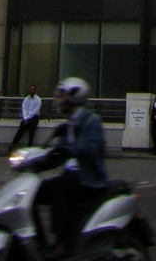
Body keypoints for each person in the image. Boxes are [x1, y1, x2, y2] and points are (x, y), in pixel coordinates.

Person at [33, 77, 108, 259]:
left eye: (62, 96)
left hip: (87, 179)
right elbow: (59, 153)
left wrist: (68, 149)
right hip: (72, 177)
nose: (59, 100)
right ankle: (39, 243)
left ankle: (62, 243)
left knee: (60, 187)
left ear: (74, 98)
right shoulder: (69, 125)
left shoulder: (91, 121)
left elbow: (90, 148)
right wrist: (37, 162)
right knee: (31, 192)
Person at [10, 84, 42, 149]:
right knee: (21, 128)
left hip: (34, 117)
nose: (32, 91)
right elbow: (24, 108)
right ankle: (13, 145)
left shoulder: (38, 99)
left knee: (32, 129)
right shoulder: (26, 99)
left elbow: (35, 111)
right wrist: (25, 118)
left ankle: (29, 146)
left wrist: (28, 118)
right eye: (31, 89)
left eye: (33, 89)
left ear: (35, 90)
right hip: (26, 117)